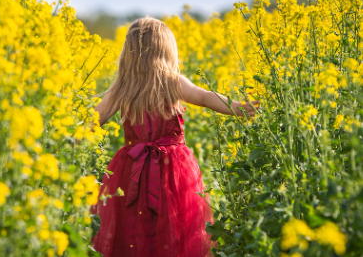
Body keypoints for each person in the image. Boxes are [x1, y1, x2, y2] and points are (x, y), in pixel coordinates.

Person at [90, 16, 259, 257]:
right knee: (176, 226)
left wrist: (67, 134)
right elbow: (204, 96)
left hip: (132, 168)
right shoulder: (172, 82)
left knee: (131, 226)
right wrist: (238, 107)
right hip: (173, 168)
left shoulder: (123, 87)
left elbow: (94, 119)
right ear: (166, 51)